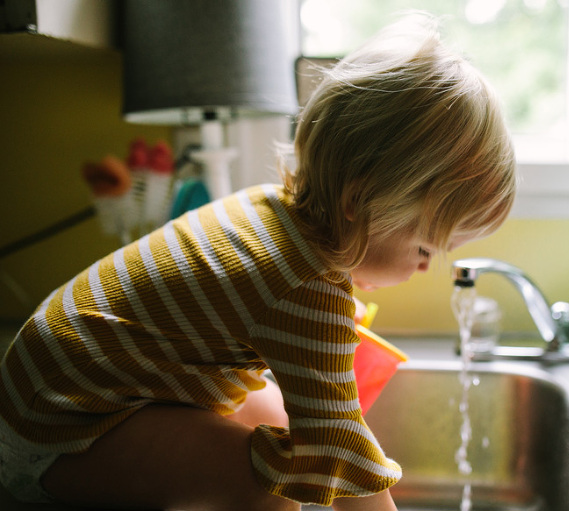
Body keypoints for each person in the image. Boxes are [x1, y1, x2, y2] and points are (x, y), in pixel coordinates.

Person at [0, 13, 516, 511]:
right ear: (358, 204)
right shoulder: (306, 288)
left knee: (273, 417)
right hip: (59, 430)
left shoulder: (272, 209)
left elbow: (247, 305)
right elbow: (343, 455)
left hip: (45, 389)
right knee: (265, 481)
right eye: (425, 248)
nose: (425, 268)